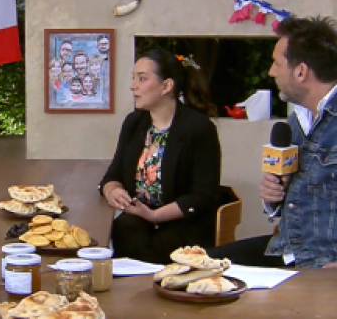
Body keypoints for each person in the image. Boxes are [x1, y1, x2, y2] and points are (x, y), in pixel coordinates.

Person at [208, 17, 337, 269]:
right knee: (202, 267)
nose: (271, 72)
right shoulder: (296, 122)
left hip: (323, 261)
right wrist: (273, 197)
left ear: (300, 72)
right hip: (287, 249)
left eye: (277, 64)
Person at [99, 48, 221, 264]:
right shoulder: (134, 123)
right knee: (124, 229)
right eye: (134, 78)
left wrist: (155, 216)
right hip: (139, 220)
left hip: (183, 222)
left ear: (166, 86)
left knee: (162, 243)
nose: (133, 86)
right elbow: (112, 175)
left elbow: (203, 196)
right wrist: (112, 191)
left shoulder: (199, 128)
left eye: (142, 79)